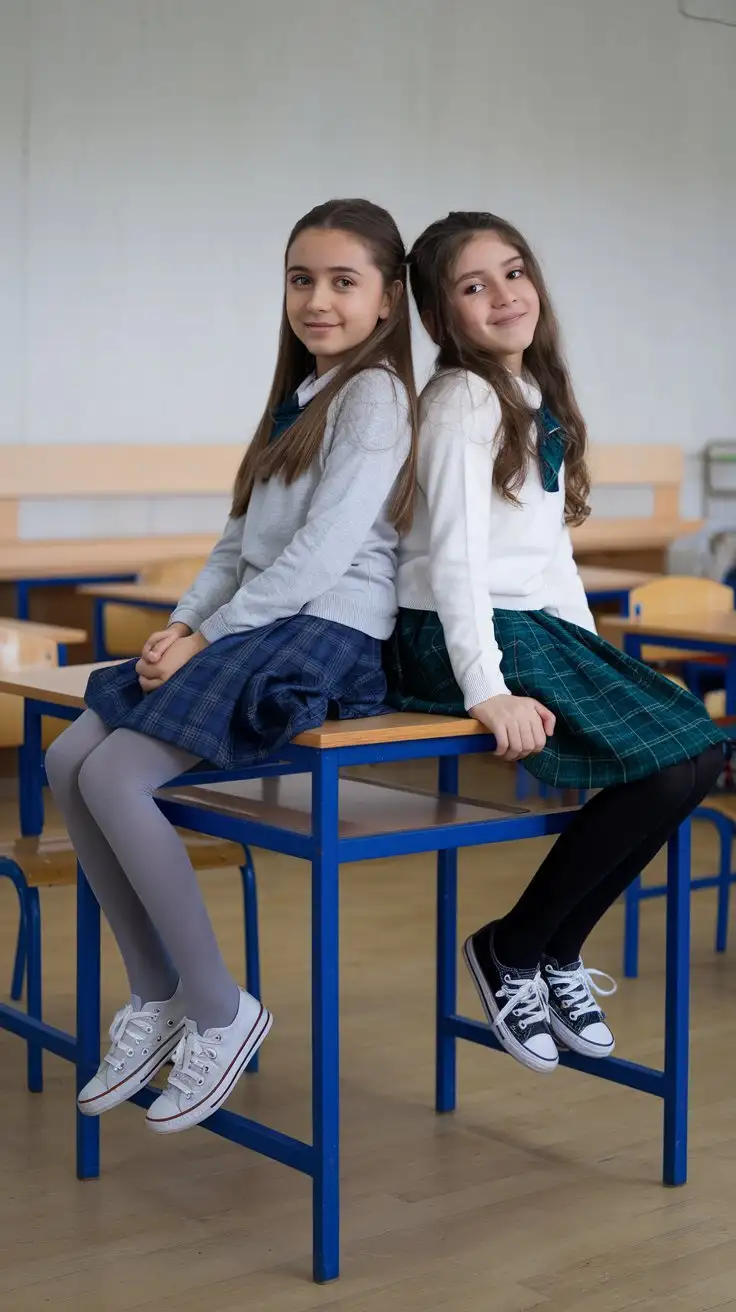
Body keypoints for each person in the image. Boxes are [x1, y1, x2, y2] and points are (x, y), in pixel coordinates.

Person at [46, 198, 417, 1132]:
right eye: (302, 279)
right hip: (256, 621)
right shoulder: (296, 399)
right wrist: (180, 625)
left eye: (343, 281)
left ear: (387, 299)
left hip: (325, 629)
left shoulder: (373, 396)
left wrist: (210, 637)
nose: (318, 300)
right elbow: (234, 545)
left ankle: (221, 1008)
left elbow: (322, 557)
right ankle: (160, 995)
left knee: (120, 777)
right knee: (64, 763)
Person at [386, 209, 725, 1075]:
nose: (504, 295)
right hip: (457, 632)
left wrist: (598, 661)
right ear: (439, 317)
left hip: (529, 625)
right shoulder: (462, 399)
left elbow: (552, 557)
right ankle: (514, 948)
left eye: (514, 272)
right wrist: (486, 689)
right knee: (675, 759)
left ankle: (546, 950)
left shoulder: (533, 396)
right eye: (474, 286)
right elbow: (456, 560)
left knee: (693, 755)